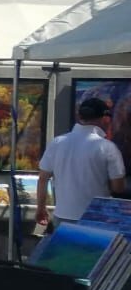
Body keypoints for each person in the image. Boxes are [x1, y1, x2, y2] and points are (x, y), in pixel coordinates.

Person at [36, 98, 126, 228]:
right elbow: (118, 188)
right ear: (105, 119)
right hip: (96, 218)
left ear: (79, 116)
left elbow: (43, 179)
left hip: (62, 217)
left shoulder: (57, 143)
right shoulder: (107, 147)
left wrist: (41, 208)